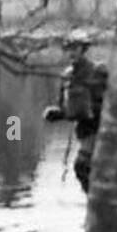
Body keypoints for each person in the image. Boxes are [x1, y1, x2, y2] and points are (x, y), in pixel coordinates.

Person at [43, 29, 109, 192]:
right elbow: (67, 109)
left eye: (76, 48)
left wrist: (93, 108)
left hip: (101, 129)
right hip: (84, 131)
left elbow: (114, 100)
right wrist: (57, 114)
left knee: (84, 166)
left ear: (84, 49)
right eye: (69, 49)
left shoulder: (98, 71)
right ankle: (96, 206)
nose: (72, 53)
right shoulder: (67, 77)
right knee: (86, 170)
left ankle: (101, 206)